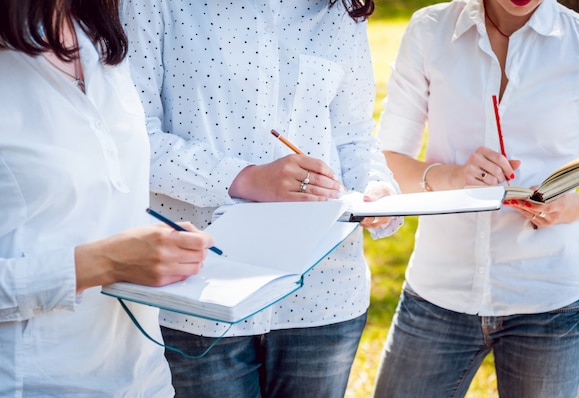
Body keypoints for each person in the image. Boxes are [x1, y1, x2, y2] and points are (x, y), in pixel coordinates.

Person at [123, 0, 401, 396]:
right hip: (204, 291)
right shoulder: (154, 6)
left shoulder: (341, 11)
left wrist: (376, 187)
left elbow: (353, 134)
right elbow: (133, 138)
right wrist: (248, 179)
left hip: (323, 290)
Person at [372, 0, 579, 396]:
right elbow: (385, 158)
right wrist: (451, 176)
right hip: (439, 290)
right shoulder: (430, 30)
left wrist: (571, 206)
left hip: (549, 301)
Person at [0, 1, 214, 395]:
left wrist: (157, 247)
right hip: (35, 383)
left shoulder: (98, 35)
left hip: (143, 377)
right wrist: (99, 264)